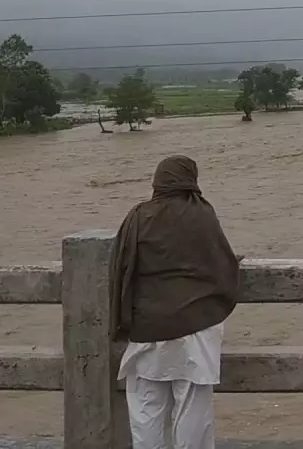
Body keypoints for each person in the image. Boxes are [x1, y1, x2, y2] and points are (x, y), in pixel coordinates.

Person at [111, 155, 241, 449]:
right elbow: (221, 265)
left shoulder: (138, 216)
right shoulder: (203, 215)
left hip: (147, 329)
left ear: (158, 181)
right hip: (195, 330)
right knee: (193, 414)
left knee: (145, 412)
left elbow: (122, 270)